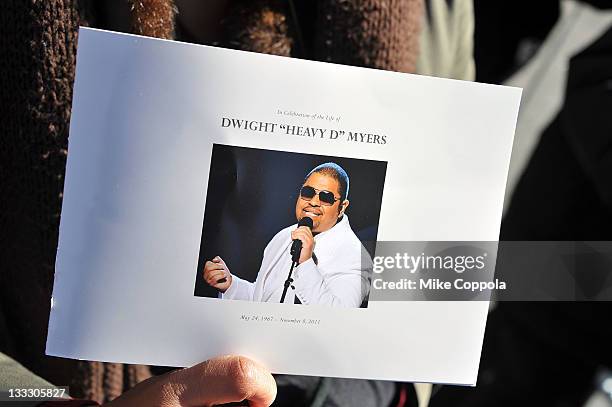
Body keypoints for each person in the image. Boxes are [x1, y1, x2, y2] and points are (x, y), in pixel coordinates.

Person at [203, 163, 371, 307]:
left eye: (325, 197)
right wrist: (231, 285)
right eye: (308, 192)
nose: (313, 202)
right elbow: (264, 298)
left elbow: (340, 319)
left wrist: (305, 263)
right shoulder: (284, 236)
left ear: (342, 207)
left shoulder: (356, 257)